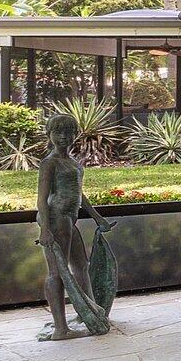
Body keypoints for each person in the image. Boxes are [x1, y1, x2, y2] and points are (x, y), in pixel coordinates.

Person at [35, 113, 115, 339]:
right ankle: (60, 328)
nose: (63, 137)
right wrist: (45, 229)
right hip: (56, 219)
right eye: (58, 132)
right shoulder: (49, 163)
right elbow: (41, 199)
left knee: (81, 265)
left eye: (68, 132)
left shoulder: (71, 162)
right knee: (56, 273)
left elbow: (78, 193)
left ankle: (86, 313)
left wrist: (97, 217)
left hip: (69, 220)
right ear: (49, 134)